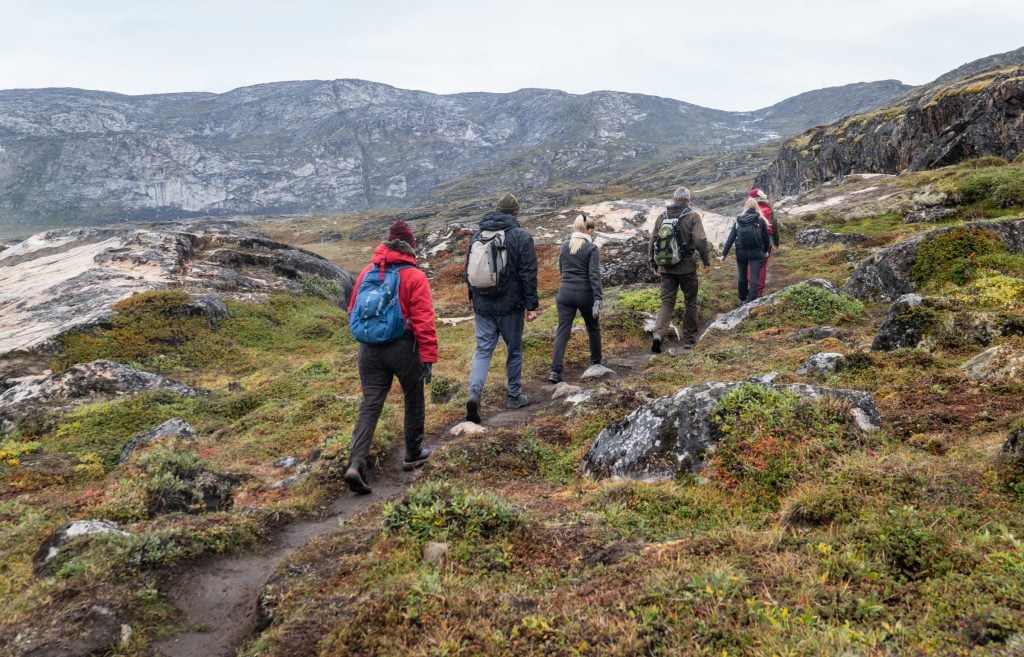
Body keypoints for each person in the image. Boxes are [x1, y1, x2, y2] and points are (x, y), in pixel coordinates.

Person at [343, 220, 438, 495]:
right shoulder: (413, 275)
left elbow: (352, 310)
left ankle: (356, 463)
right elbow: (423, 321)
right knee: (413, 395)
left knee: (370, 404)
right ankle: (413, 453)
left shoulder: (366, 272)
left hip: (369, 350)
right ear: (411, 245)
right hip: (403, 347)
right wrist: (428, 356)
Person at [465, 193, 539, 423]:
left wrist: (473, 299)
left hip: (482, 305)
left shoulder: (478, 234)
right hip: (510, 306)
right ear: (516, 213)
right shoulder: (521, 236)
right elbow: (528, 273)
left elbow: (468, 269)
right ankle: (514, 396)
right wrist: (531, 305)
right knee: (514, 350)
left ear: (497, 210)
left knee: (482, 351)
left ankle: (474, 393)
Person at [647, 186, 711, 352]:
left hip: (666, 267)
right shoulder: (692, 216)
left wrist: (653, 263)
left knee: (667, 301)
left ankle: (658, 335)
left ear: (674, 200)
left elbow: (653, 240)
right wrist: (706, 261)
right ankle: (689, 338)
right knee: (690, 300)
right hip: (687, 268)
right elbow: (700, 240)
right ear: (687, 200)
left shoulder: (662, 216)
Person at [548, 213, 603, 383]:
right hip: (584, 294)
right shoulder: (591, 248)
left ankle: (555, 371)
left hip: (564, 294)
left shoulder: (564, 246)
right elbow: (594, 275)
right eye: (592, 231)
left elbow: (562, 271)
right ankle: (596, 361)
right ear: (590, 230)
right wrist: (598, 299)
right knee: (592, 327)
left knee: (562, 331)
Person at [721, 197, 772, 305]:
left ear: (746, 207)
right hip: (756, 252)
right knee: (754, 277)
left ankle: (741, 298)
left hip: (741, 252)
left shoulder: (738, 220)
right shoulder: (760, 220)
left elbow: (731, 238)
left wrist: (723, 255)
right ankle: (751, 301)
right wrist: (765, 251)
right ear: (756, 207)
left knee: (742, 276)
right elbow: (766, 238)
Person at [748, 188, 780, 297]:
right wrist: (776, 242)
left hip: (752, 240)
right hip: (768, 241)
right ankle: (759, 291)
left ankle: (750, 289)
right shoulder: (769, 208)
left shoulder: (750, 208)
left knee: (750, 264)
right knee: (762, 265)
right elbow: (774, 225)